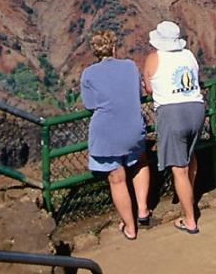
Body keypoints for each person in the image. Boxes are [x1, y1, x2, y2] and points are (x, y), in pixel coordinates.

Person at [80, 30, 152, 239]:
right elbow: (137, 94)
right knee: (140, 161)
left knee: (117, 179)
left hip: (105, 133)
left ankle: (130, 228)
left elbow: (90, 104)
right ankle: (143, 210)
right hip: (133, 128)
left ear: (95, 51)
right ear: (113, 47)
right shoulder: (130, 66)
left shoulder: (88, 74)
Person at [142, 20, 205, 234]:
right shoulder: (189, 55)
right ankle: (187, 195)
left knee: (179, 169)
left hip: (172, 113)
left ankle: (189, 219)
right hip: (196, 109)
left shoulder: (153, 58)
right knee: (190, 155)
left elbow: (149, 87)